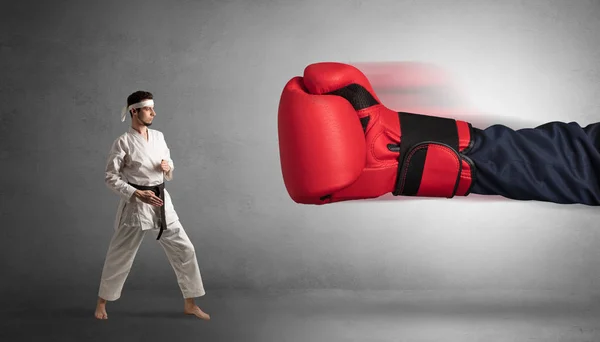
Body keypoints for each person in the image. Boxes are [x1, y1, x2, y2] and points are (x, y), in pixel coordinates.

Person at [94, 90, 210, 320]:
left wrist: (168, 168)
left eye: (153, 108)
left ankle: (190, 303)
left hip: (161, 202)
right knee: (120, 254)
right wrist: (137, 193)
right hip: (136, 205)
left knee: (185, 249)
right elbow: (110, 177)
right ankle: (101, 303)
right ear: (134, 111)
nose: (153, 113)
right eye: (148, 109)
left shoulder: (158, 136)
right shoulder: (123, 142)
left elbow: (167, 160)